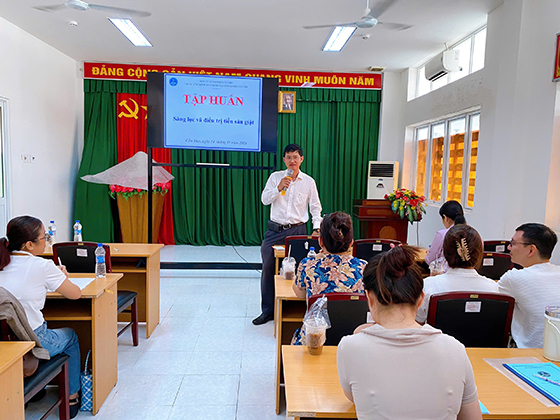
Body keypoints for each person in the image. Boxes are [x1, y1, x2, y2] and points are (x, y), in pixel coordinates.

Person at [337, 245, 482, 420]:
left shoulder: (350, 347)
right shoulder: (454, 349)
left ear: (369, 298)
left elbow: (356, 397)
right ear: (421, 299)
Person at [0, 216, 82, 418]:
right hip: (32, 340)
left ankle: (35, 389)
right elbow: (75, 294)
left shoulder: (3, 262)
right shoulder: (42, 266)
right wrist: (62, 276)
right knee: (70, 336)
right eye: (44, 236)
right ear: (29, 245)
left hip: (4, 341)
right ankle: (71, 397)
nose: (47, 240)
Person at [253, 144, 322, 325]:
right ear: (284, 160)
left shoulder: (309, 181)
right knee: (268, 266)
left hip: (298, 230)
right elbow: (264, 200)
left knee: (300, 268)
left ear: (301, 159)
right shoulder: (276, 177)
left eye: (295, 157)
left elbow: (315, 207)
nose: (292, 161)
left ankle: (297, 308)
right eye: (289, 157)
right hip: (275, 230)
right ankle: (267, 311)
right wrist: (278, 187)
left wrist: (317, 228)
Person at [291, 212, 366, 344]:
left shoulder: (307, 264)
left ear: (320, 242)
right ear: (351, 244)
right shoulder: (364, 267)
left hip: (314, 340)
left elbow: (301, 294)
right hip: (354, 341)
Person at [416, 224, 499, 323]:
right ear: (480, 254)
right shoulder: (493, 289)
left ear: (445, 254)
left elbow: (417, 324)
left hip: (439, 338)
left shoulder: (429, 286)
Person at [497, 223, 560, 348]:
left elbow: (490, 299)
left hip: (527, 355)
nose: (509, 247)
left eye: (513, 243)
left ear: (531, 250)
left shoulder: (513, 278)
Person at [425, 200, 466, 268]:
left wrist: (429, 253)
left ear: (446, 218)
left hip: (445, 275)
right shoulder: (474, 234)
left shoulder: (442, 234)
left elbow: (430, 260)